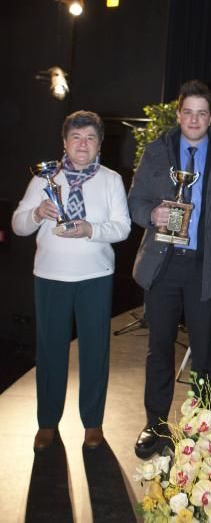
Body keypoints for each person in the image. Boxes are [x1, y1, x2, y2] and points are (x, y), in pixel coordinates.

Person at [129, 79, 211, 459]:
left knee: (204, 354)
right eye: (188, 112)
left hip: (206, 267)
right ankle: (155, 424)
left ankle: (207, 427)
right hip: (164, 264)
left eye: (202, 113)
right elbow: (135, 202)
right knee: (159, 349)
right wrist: (152, 213)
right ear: (179, 113)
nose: (194, 119)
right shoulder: (156, 152)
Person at [12, 110, 131, 451]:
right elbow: (18, 225)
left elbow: (122, 227)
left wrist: (90, 229)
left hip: (96, 277)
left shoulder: (110, 180)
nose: (83, 144)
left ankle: (93, 424)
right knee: (50, 352)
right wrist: (37, 213)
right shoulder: (43, 179)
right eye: (76, 137)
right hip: (50, 276)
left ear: (99, 145)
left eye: (90, 138)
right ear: (64, 142)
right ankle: (47, 423)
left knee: (95, 351)